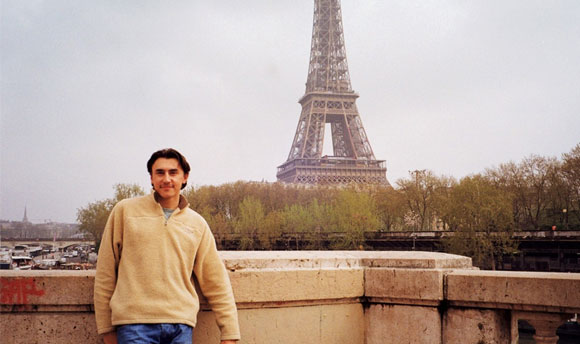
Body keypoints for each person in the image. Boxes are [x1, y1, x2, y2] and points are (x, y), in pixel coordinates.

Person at [94, 148, 240, 344]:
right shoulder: (124, 211)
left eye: (173, 172)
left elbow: (216, 281)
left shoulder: (197, 224)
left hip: (180, 326)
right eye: (160, 172)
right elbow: (105, 274)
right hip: (134, 325)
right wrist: (106, 330)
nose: (166, 179)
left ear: (185, 177)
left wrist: (229, 333)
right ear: (151, 178)